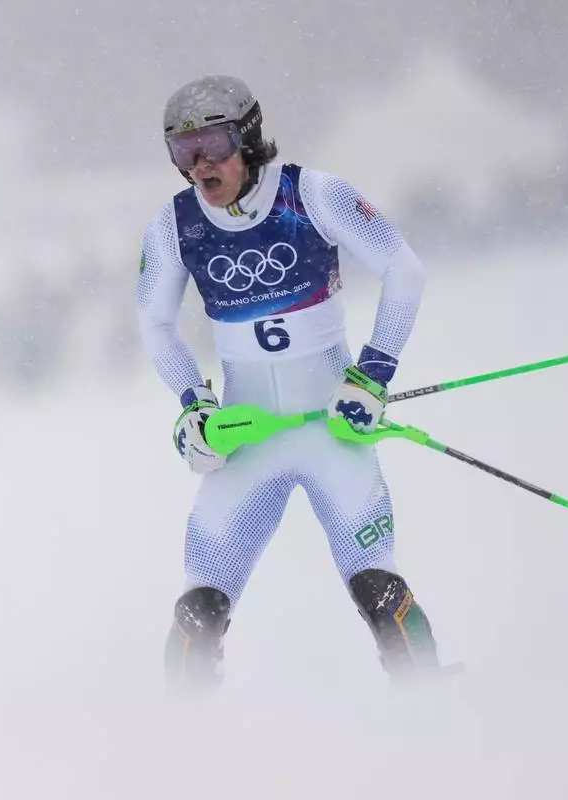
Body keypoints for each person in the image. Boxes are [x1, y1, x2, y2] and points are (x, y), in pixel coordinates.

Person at [135, 75, 441, 691]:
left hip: (333, 428)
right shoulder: (174, 224)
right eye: (182, 153)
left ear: (248, 138)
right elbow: (155, 321)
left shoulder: (314, 194)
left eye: (213, 145)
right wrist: (194, 408)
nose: (200, 167)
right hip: (246, 441)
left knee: (379, 590)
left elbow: (404, 272)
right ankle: (175, 753)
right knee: (198, 611)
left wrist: (373, 376)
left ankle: (437, 714)